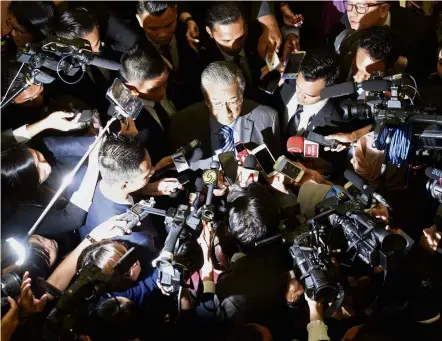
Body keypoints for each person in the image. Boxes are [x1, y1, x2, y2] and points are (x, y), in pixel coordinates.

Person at [187, 183, 292, 337]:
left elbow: (208, 316)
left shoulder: (232, 289)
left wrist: (207, 256)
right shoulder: (289, 251)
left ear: (229, 230)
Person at [79, 133, 181, 253]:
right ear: (125, 184)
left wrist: (148, 188)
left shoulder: (93, 186)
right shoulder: (135, 237)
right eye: (147, 174)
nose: (153, 171)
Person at [169, 61, 281, 170]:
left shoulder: (267, 118)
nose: (225, 112)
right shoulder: (181, 123)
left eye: (232, 102)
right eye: (217, 103)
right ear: (206, 100)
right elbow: (179, 170)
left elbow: (273, 168)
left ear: (241, 95)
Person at [1, 135, 99, 239]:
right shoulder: (15, 217)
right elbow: (72, 219)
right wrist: (94, 165)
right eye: (38, 170)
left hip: (50, 192)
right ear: (26, 184)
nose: (45, 166)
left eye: (38, 156)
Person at [200, 2, 296, 103]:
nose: (235, 46)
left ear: (246, 27)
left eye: (241, 37)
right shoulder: (202, 59)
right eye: (226, 41)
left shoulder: (262, 39)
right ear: (209, 32)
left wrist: (280, 73)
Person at [340, 0, 438, 82]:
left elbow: (429, 69)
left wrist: (404, 63)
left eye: (361, 6)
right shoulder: (346, 23)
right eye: (349, 4)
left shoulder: (420, 29)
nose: (352, 13)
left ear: (383, 9)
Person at [134, 1, 203, 110]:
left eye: (169, 25)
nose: (163, 34)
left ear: (176, 12)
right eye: (153, 29)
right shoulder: (133, 49)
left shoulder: (190, 29)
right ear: (139, 20)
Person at [119, 42, 177, 165]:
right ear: (131, 87)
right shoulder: (126, 123)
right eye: (154, 89)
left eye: (164, 83)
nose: (163, 92)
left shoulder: (175, 85)